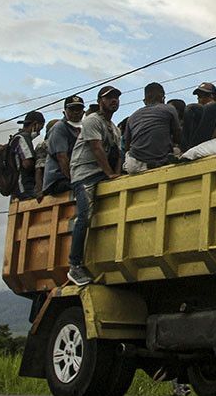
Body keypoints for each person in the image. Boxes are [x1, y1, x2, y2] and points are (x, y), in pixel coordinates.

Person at [67, 86, 123, 286]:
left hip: (102, 174)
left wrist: (116, 174)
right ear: (100, 101)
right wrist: (110, 173)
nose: (113, 101)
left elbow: (118, 152)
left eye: (116, 97)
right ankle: (74, 265)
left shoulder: (114, 128)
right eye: (109, 98)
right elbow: (96, 148)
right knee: (85, 215)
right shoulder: (92, 121)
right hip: (85, 174)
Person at [123, 82, 183, 173]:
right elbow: (178, 138)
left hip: (135, 165)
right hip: (161, 160)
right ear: (162, 97)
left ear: (145, 100)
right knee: (177, 150)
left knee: (128, 154)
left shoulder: (132, 117)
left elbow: (126, 146)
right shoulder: (169, 108)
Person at [41, 95, 85, 197]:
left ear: (83, 112)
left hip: (76, 174)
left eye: (78, 109)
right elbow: (62, 158)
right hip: (58, 179)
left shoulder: (83, 128)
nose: (75, 112)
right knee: (85, 187)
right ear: (64, 111)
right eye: (72, 109)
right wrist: (74, 180)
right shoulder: (60, 128)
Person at [181, 81, 216, 152]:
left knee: (211, 106)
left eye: (201, 96)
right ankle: (184, 150)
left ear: (211, 96)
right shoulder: (195, 114)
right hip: (194, 144)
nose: (198, 99)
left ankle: (193, 149)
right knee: (190, 108)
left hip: (209, 142)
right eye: (198, 97)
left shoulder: (215, 107)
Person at [13, 111, 45, 200]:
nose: (39, 132)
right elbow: (27, 164)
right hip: (24, 187)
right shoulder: (23, 138)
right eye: (40, 128)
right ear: (35, 124)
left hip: (19, 187)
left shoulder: (16, 137)